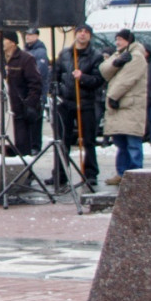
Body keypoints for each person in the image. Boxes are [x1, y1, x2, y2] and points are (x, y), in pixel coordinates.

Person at [53, 26, 102, 191]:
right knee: (63, 139)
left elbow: (99, 80)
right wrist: (59, 91)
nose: (82, 34)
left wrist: (83, 78)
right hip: (66, 102)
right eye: (80, 32)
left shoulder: (96, 56)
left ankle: (90, 173)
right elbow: (56, 75)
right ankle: (60, 174)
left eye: (86, 32)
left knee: (88, 140)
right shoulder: (65, 54)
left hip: (86, 102)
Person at [100, 29, 148, 186]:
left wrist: (112, 95)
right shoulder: (119, 54)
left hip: (130, 105)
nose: (117, 42)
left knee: (133, 143)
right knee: (121, 144)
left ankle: (136, 174)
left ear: (129, 40)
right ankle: (121, 172)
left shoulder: (137, 57)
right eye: (116, 39)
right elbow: (104, 70)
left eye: (120, 39)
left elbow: (127, 79)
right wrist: (116, 62)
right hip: (118, 107)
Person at [0, 30, 44, 155]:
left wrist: (29, 104)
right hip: (5, 111)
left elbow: (35, 84)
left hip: (20, 110)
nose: (0, 42)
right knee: (7, 148)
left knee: (22, 146)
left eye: (4, 39)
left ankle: (25, 173)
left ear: (13, 42)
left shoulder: (26, 59)